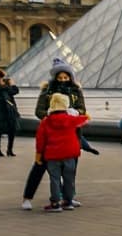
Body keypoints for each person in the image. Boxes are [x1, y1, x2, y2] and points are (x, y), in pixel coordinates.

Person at [21, 59, 94, 211]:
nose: (62, 80)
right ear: (55, 77)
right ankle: (27, 198)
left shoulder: (76, 91)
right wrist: (50, 116)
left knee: (70, 170)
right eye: (60, 78)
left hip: (71, 134)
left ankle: (68, 198)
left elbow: (82, 109)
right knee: (39, 167)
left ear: (70, 77)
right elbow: (39, 111)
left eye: (65, 78)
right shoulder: (47, 91)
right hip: (51, 134)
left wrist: (73, 114)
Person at [35, 93, 90, 212]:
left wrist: (39, 155)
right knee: (69, 178)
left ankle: (55, 203)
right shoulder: (71, 119)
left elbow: (40, 139)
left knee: (54, 179)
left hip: (53, 154)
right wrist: (78, 113)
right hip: (70, 154)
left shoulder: (46, 121)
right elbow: (85, 119)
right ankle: (68, 202)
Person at [0, 70, 20, 157]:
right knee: (11, 130)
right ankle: (9, 150)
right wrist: (11, 84)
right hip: (8, 111)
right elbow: (15, 91)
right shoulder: (3, 88)